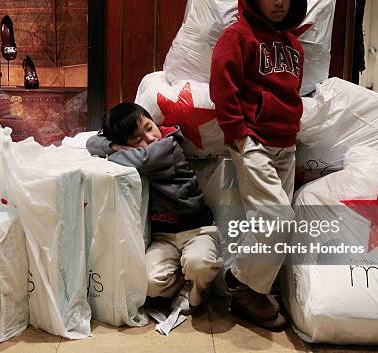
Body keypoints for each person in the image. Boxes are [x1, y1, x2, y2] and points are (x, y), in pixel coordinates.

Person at [209, 0, 307, 331]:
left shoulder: (294, 44)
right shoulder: (237, 36)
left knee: (271, 223)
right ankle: (241, 281)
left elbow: (293, 93)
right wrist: (237, 133)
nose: (279, 2)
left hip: (286, 143)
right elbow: (222, 87)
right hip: (253, 142)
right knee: (278, 217)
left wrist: (293, 131)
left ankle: (251, 291)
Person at [87, 102, 223, 312]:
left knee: (199, 264)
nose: (149, 138)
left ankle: (196, 290)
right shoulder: (144, 147)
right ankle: (184, 278)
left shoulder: (168, 146)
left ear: (154, 121)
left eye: (149, 128)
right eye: (137, 139)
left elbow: (141, 160)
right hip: (163, 236)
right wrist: (114, 145)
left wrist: (116, 151)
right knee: (147, 284)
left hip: (197, 230)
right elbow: (91, 142)